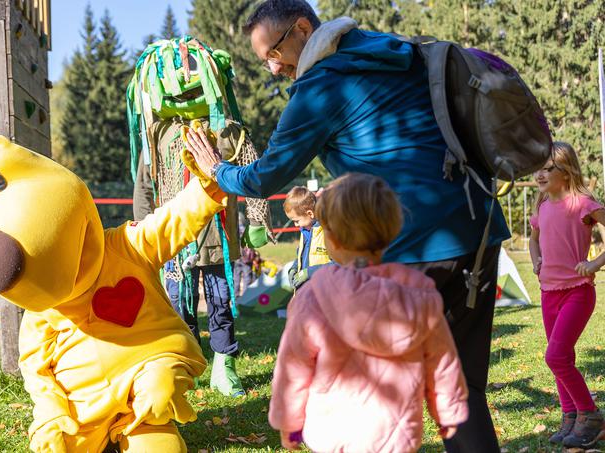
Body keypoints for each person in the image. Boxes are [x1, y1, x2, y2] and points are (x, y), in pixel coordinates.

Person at [184, 1, 510, 450]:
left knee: (378, 398)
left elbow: (263, 177)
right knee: (465, 391)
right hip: (478, 228)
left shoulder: (320, 87)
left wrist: (217, 169)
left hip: (412, 245)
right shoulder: (391, 49)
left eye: (273, 54)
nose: (274, 69)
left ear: (302, 28)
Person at [269, 173, 469, 452]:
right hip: (396, 435)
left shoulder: (313, 297)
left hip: (332, 433)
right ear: (390, 232)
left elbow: (294, 364)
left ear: (332, 238)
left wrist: (289, 422)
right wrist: (448, 411)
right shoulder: (420, 295)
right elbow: (442, 360)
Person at [128, 37, 272, 397]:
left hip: (217, 237)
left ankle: (225, 364)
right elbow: (145, 186)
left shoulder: (228, 131)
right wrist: (144, 227)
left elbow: (251, 173)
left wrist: (257, 218)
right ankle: (188, 365)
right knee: (178, 303)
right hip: (174, 241)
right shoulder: (157, 136)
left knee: (221, 300)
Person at [529, 142, 605, 449]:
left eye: (549, 167)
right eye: (540, 167)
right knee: (562, 357)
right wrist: (535, 259)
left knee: (556, 356)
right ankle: (570, 416)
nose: (541, 173)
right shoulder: (542, 206)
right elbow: (535, 240)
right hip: (549, 293)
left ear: (567, 170)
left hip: (578, 292)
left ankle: (591, 415)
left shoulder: (584, 204)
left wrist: (594, 263)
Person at [283, 186, 331, 289]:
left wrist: (309, 272)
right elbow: (302, 256)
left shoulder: (328, 233)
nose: (295, 225)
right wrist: (294, 268)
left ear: (310, 213)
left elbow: (338, 265)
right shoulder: (305, 231)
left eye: (296, 220)